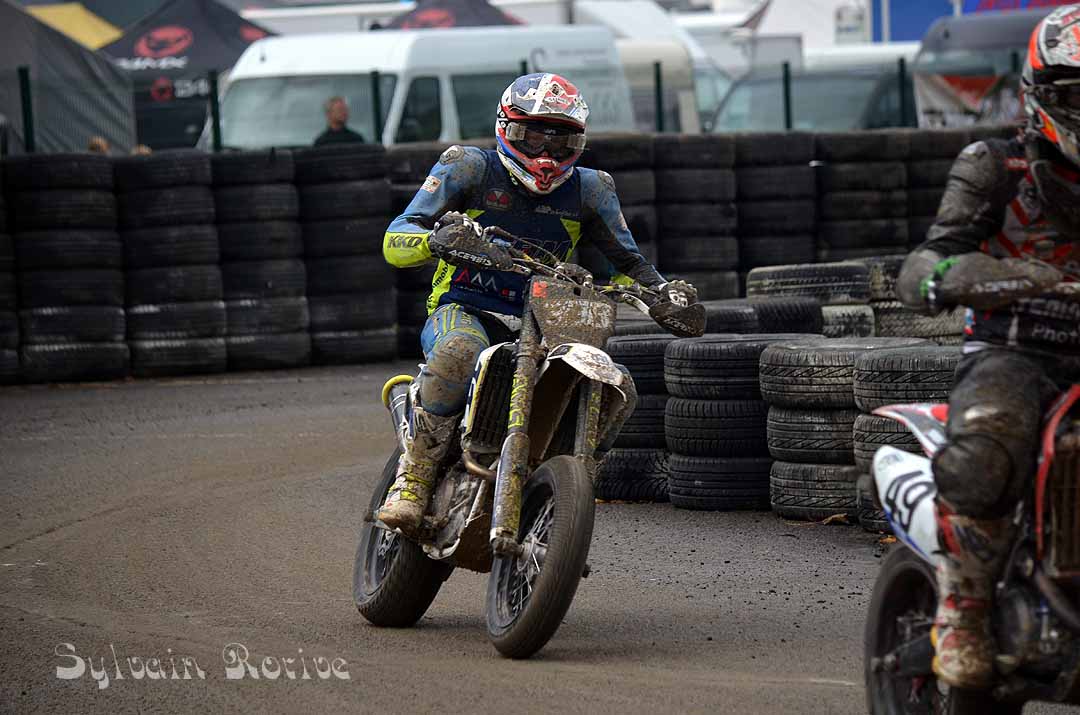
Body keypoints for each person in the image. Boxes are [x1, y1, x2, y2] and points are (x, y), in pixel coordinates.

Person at [376, 73, 695, 532]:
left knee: (618, 383)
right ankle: (415, 476)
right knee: (459, 351)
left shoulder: (592, 188)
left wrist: (665, 294)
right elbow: (396, 237)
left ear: (579, 143)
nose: (547, 154)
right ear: (506, 127)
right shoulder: (468, 167)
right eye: (533, 137)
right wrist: (436, 240)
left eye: (561, 142)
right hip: (465, 307)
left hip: (547, 320)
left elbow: (627, 263)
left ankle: (568, 492)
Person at [896, 5, 1080, 689]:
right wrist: (990, 277)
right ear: (1041, 94)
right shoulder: (997, 167)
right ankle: (965, 609)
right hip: (1016, 351)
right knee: (989, 449)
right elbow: (925, 265)